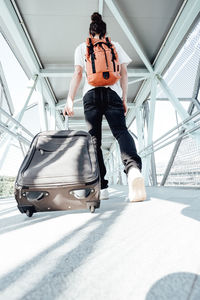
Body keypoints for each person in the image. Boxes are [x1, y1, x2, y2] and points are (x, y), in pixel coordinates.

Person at [63, 12, 146, 202]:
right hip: (112, 93)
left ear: (90, 32)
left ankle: (102, 186)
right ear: (104, 31)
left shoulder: (81, 47)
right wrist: (124, 97)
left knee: (94, 140)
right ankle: (133, 170)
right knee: (121, 131)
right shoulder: (115, 46)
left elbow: (77, 74)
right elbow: (124, 73)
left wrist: (69, 99)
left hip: (90, 95)